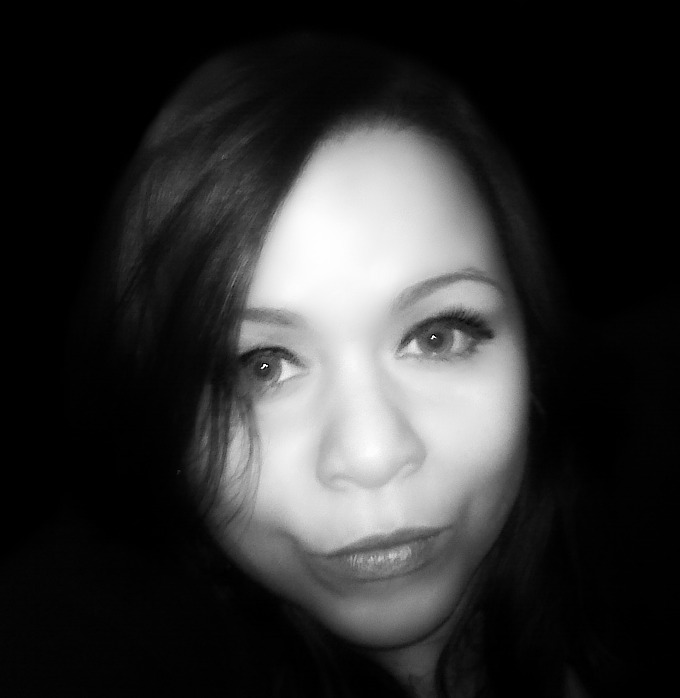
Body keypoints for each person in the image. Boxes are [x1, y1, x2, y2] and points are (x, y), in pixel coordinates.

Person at [12, 32, 643, 697]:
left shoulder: (639, 528)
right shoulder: (92, 633)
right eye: (263, 367)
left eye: (437, 337)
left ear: (533, 345)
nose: (372, 455)